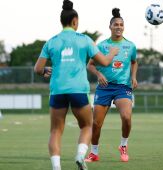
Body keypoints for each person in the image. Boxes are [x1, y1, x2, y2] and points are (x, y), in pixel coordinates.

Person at [34, 0, 119, 170]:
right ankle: (80, 155)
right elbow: (104, 62)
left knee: (56, 131)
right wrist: (112, 52)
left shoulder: (52, 41)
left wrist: (44, 72)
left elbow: (37, 69)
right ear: (74, 21)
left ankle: (56, 167)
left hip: (57, 90)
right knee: (87, 125)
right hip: (78, 90)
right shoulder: (84, 40)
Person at [84, 8, 138, 163]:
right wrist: (99, 74)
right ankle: (94, 153)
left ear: (124, 27)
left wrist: (133, 77)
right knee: (96, 123)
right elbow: (90, 65)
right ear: (110, 27)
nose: (119, 27)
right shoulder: (101, 46)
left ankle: (123, 146)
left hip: (123, 87)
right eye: (116, 24)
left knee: (127, 117)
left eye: (121, 24)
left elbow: (134, 62)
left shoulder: (130, 46)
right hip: (105, 87)